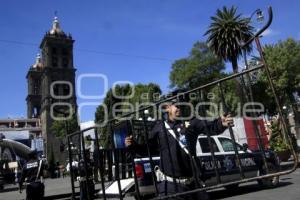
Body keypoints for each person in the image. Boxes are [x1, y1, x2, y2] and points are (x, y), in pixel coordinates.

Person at [125, 99, 233, 200]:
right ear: (167, 108)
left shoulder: (191, 122)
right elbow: (148, 149)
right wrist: (133, 145)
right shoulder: (159, 127)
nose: (179, 108)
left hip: (193, 184)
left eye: (181, 105)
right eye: (176, 105)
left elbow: (210, 127)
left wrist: (221, 123)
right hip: (170, 186)